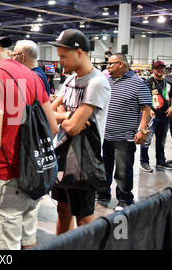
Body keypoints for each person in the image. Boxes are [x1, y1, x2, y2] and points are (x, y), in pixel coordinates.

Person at [0, 29, 58, 250]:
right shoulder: (34, 76)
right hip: (33, 177)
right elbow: (53, 128)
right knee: (28, 240)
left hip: (3, 179)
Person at [49, 29, 110, 234]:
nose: (60, 62)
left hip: (84, 158)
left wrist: (64, 116)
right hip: (61, 152)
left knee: (83, 218)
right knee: (62, 209)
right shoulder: (69, 80)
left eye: (63, 57)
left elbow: (74, 128)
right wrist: (67, 116)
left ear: (79, 52)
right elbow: (49, 113)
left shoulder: (97, 83)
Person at [99, 53, 151, 211]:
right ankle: (102, 193)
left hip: (125, 136)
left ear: (121, 64)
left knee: (123, 169)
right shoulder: (107, 81)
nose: (107, 67)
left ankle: (125, 199)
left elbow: (146, 108)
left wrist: (142, 130)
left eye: (110, 64)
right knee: (103, 167)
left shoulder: (138, 83)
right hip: (105, 134)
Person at [140, 60, 172, 172]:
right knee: (146, 140)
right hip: (151, 117)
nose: (160, 70)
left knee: (161, 141)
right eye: (157, 68)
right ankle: (144, 162)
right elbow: (142, 99)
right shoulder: (147, 82)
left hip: (165, 116)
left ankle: (161, 162)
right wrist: (148, 109)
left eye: (162, 68)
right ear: (153, 69)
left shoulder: (168, 83)